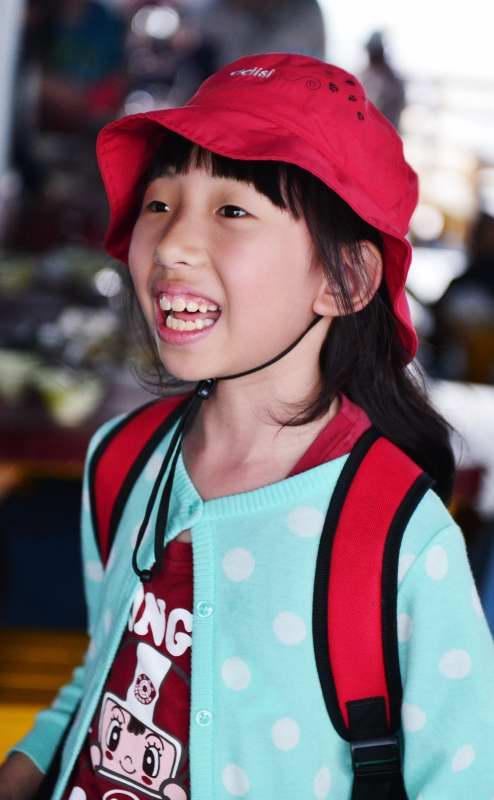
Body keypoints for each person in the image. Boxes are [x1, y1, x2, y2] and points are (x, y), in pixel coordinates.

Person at [1, 52, 494, 800]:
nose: (171, 243)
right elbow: (107, 668)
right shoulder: (123, 460)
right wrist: (28, 764)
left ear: (346, 279)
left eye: (232, 211)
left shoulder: (398, 539)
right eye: (159, 203)